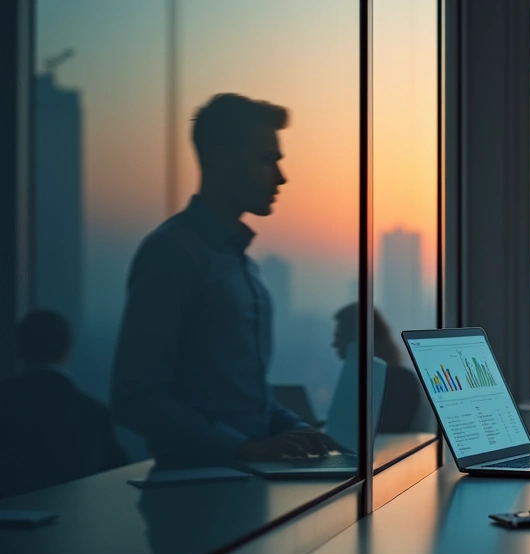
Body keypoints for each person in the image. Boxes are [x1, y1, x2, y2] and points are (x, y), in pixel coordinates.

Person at [111, 93, 338, 464]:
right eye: (267, 160)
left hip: (245, 482)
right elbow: (135, 398)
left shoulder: (241, 265)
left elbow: (243, 397)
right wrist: (243, 449)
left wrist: (298, 430)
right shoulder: (172, 253)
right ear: (220, 158)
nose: (281, 177)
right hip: (195, 495)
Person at [0, 310, 126, 498]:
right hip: (74, 523)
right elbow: (119, 477)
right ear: (67, 347)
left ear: (19, 347)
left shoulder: (5, 402)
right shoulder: (93, 413)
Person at [331, 303, 435, 434]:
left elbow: (389, 431)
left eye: (338, 336)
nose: (334, 344)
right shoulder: (369, 379)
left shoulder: (400, 381)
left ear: (356, 339)